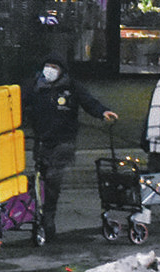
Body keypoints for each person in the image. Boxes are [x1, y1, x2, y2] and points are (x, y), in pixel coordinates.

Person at [22, 54, 117, 240]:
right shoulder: (34, 86)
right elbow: (17, 101)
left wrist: (102, 112)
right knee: (39, 179)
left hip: (63, 140)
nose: (49, 70)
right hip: (42, 139)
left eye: (54, 67)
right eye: (47, 66)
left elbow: (88, 102)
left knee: (53, 179)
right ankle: (38, 215)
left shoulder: (71, 87)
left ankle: (48, 217)